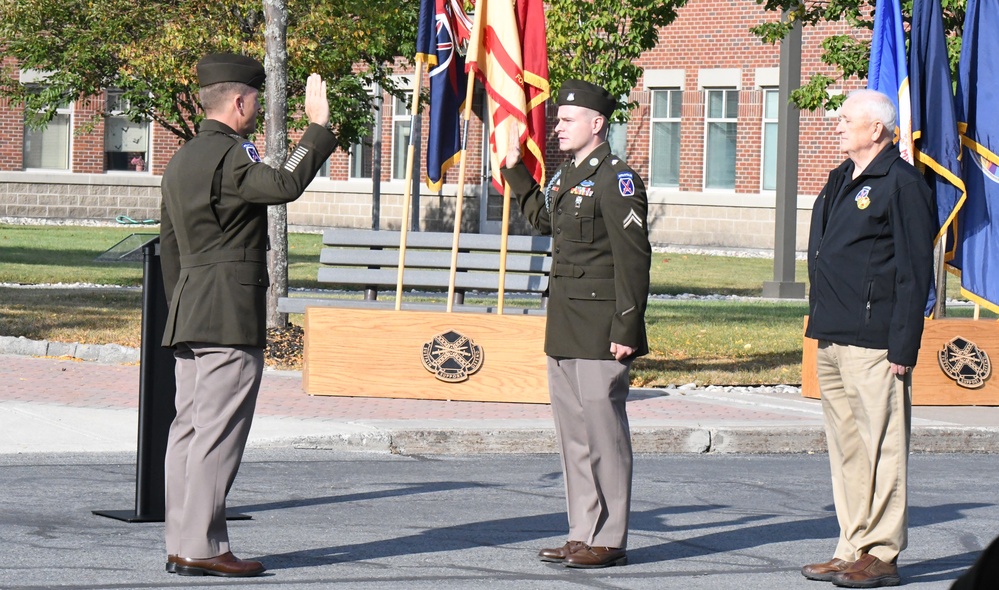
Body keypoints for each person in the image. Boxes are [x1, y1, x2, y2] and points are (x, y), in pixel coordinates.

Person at [159, 53, 337, 577]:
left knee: (188, 430)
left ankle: (182, 540)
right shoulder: (231, 155)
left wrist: (182, 304)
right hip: (227, 311)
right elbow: (281, 186)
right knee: (217, 432)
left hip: (190, 309)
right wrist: (317, 130)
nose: (257, 108)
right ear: (239, 102)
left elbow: (170, 246)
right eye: (256, 99)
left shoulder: (182, 158)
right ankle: (204, 547)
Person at [502, 79, 651, 569]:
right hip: (565, 322)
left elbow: (634, 260)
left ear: (596, 123)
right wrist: (515, 169)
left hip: (601, 328)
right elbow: (544, 223)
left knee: (603, 433)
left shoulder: (617, 179)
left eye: (566, 121)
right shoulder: (567, 176)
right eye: (558, 120)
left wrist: (627, 327)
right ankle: (582, 530)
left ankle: (610, 536)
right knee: (574, 437)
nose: (557, 127)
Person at [802, 89, 935, 588]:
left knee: (883, 448)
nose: (836, 125)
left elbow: (915, 270)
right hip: (833, 333)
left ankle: (881, 552)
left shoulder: (901, 183)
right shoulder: (842, 177)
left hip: (876, 340)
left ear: (875, 129)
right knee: (848, 449)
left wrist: (904, 344)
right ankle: (851, 544)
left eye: (845, 119)